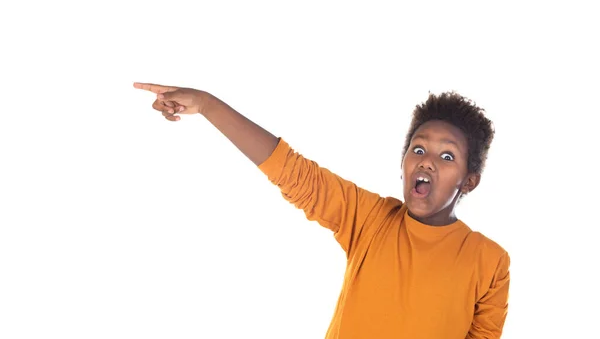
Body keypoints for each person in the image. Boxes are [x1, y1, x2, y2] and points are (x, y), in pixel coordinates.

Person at [133, 82, 510, 338]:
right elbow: (293, 171)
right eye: (418, 148)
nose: (427, 162)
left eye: (447, 156)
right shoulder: (370, 218)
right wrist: (208, 105)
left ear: (468, 181)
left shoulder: (489, 261)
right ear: (403, 163)